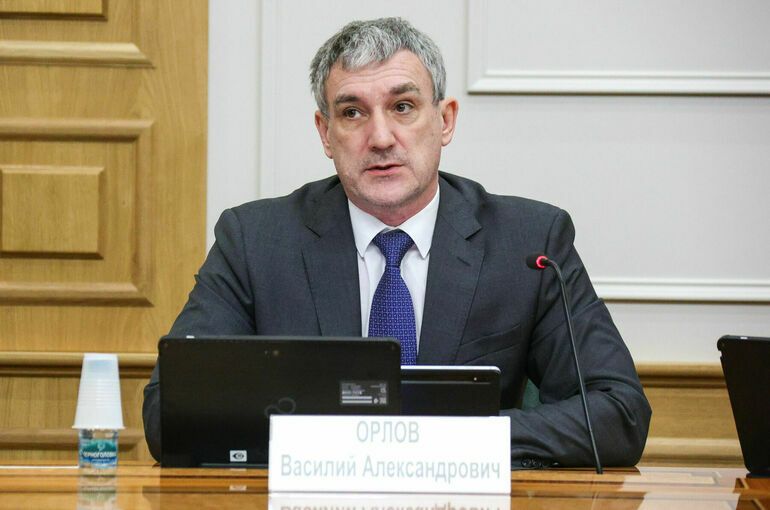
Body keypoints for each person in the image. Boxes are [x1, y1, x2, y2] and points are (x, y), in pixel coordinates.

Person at [143, 17, 651, 467]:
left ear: (445, 120)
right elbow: (170, 411)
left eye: (403, 106)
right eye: (352, 113)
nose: (381, 137)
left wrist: (439, 441)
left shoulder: (528, 243)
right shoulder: (255, 242)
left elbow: (619, 413)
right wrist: (348, 447)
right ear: (325, 133)